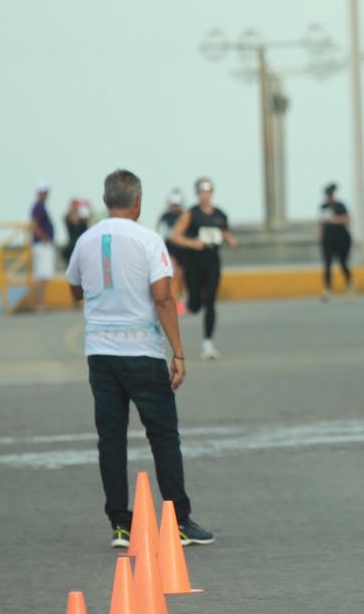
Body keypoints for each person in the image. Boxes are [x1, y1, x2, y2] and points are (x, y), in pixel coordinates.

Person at [65, 169, 214, 549]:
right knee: (163, 435)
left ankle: (120, 525)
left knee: (111, 438)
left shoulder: (85, 240)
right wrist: (178, 352)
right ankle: (178, 521)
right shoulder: (148, 240)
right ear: (138, 201)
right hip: (142, 351)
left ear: (105, 200)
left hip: (101, 353)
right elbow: (163, 297)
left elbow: (74, 289)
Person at [168, 177, 236, 360]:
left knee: (211, 301)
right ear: (197, 194)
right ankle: (191, 302)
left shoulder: (220, 214)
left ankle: (208, 343)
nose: (205, 195)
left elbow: (224, 230)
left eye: (208, 191)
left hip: (212, 262)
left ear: (212, 193)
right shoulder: (191, 214)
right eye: (202, 192)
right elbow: (175, 236)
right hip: (193, 263)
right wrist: (193, 243)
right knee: (195, 305)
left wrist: (230, 240)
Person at [318, 182, 354, 299]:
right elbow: (321, 222)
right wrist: (321, 235)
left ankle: (349, 285)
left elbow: (347, 220)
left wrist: (333, 219)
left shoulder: (340, 206)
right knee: (327, 264)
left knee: (343, 263)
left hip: (341, 239)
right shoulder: (323, 206)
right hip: (328, 240)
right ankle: (328, 288)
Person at [25, 182, 57, 312]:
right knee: (41, 276)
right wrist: (43, 237)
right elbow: (34, 224)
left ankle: (40, 303)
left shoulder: (41, 206)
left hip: (43, 244)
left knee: (43, 276)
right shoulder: (38, 207)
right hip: (41, 245)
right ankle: (39, 304)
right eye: (43, 192)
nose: (45, 195)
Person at [155, 189, 187, 315]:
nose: (175, 207)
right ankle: (176, 302)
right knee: (175, 275)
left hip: (183, 250)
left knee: (183, 276)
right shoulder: (165, 217)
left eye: (177, 205)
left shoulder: (184, 215)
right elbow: (159, 232)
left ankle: (182, 299)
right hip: (170, 250)